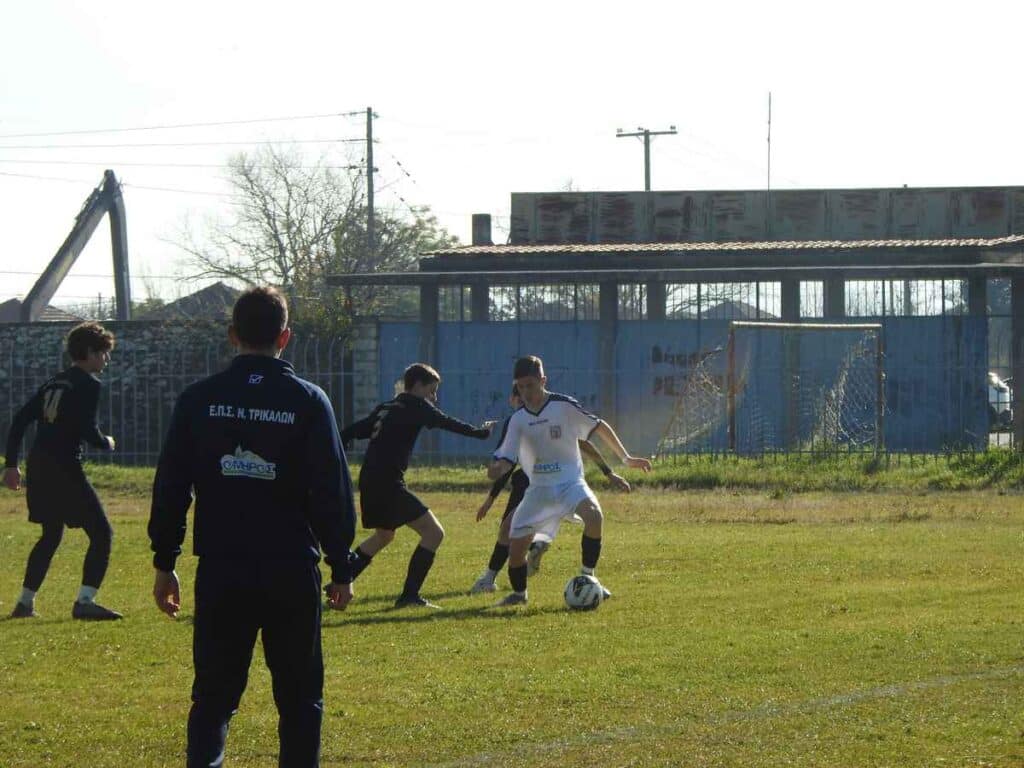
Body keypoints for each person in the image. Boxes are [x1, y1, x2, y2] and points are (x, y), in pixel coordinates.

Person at [148, 286, 356, 768]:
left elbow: (172, 486)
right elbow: (331, 491)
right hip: (290, 568)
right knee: (300, 697)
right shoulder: (307, 400)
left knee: (214, 696)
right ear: (285, 337)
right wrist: (341, 565)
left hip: (223, 567)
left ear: (232, 335)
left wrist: (165, 561)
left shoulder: (200, 399)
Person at [488, 355, 652, 606]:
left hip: (570, 482)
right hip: (538, 490)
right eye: (520, 386)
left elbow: (599, 427)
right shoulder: (518, 420)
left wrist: (626, 458)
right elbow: (506, 458)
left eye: (530, 385)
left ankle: (589, 578)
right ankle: (519, 595)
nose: (525, 392)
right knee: (516, 549)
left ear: (543, 380)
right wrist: (497, 468)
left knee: (594, 516)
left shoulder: (563, 406)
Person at [342, 363, 494, 608]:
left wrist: (337, 442)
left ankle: (340, 579)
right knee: (434, 533)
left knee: (384, 535)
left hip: (370, 480)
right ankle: (409, 597)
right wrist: (480, 433)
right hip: (388, 484)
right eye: (431, 391)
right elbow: (447, 423)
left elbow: (354, 430)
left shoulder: (387, 407)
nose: (433, 398)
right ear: (418, 386)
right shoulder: (416, 406)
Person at [3, 321, 120, 620]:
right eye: (104, 353)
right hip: (65, 466)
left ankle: (25, 603)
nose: (106, 360)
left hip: (39, 465)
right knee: (102, 533)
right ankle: (85, 601)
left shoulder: (54, 381)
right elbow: (87, 429)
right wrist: (105, 442)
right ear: (91, 353)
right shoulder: (89, 384)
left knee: (50, 534)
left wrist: (12, 465)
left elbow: (19, 420)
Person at [469, 385, 631, 595]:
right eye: (523, 395)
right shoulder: (516, 422)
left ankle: (582, 574)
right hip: (532, 483)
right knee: (510, 528)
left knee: (512, 528)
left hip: (551, 483)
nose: (528, 401)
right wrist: (490, 498)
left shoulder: (552, 414)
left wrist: (609, 473)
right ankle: (512, 565)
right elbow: (504, 466)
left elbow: (584, 442)